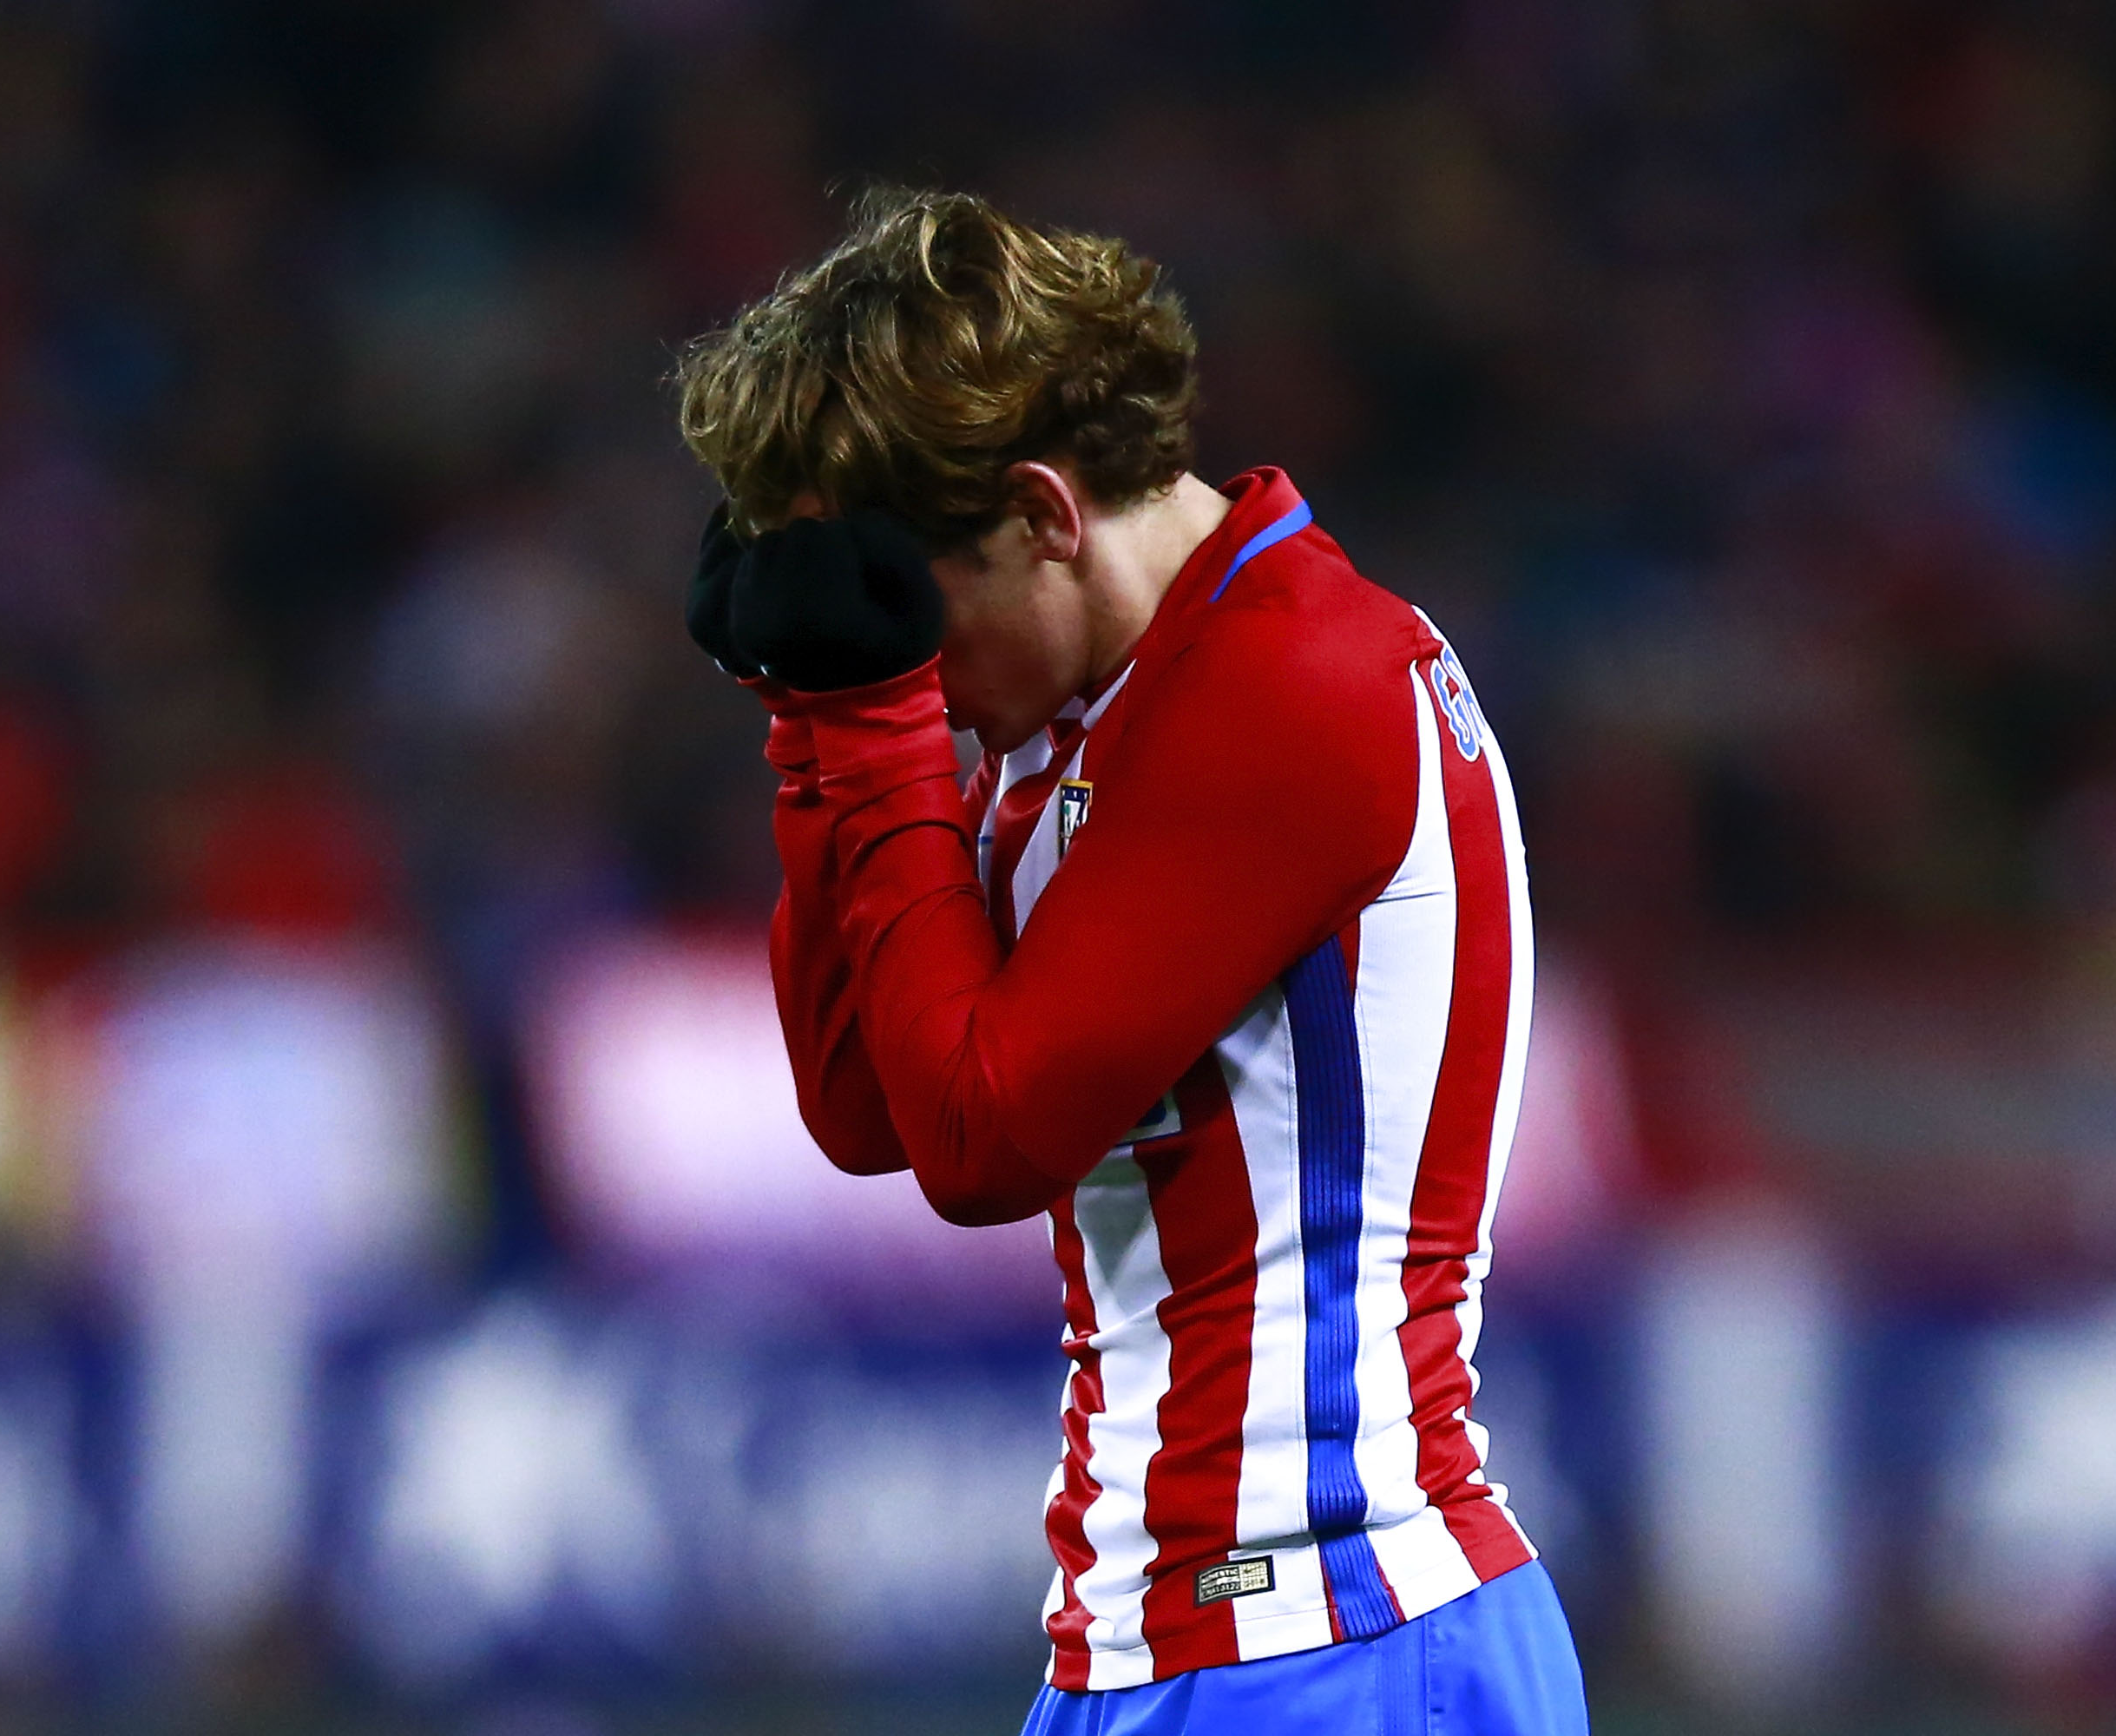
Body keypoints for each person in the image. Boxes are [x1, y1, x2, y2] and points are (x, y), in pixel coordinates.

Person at [674, 187, 1589, 1736]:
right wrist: (809, 724)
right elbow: (868, 1102)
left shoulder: (1296, 680)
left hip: (1335, 1636)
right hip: (1164, 1644)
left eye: (915, 617)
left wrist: (869, 727)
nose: (921, 677)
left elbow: (982, 1143)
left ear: (1045, 514)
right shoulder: (1090, 709)